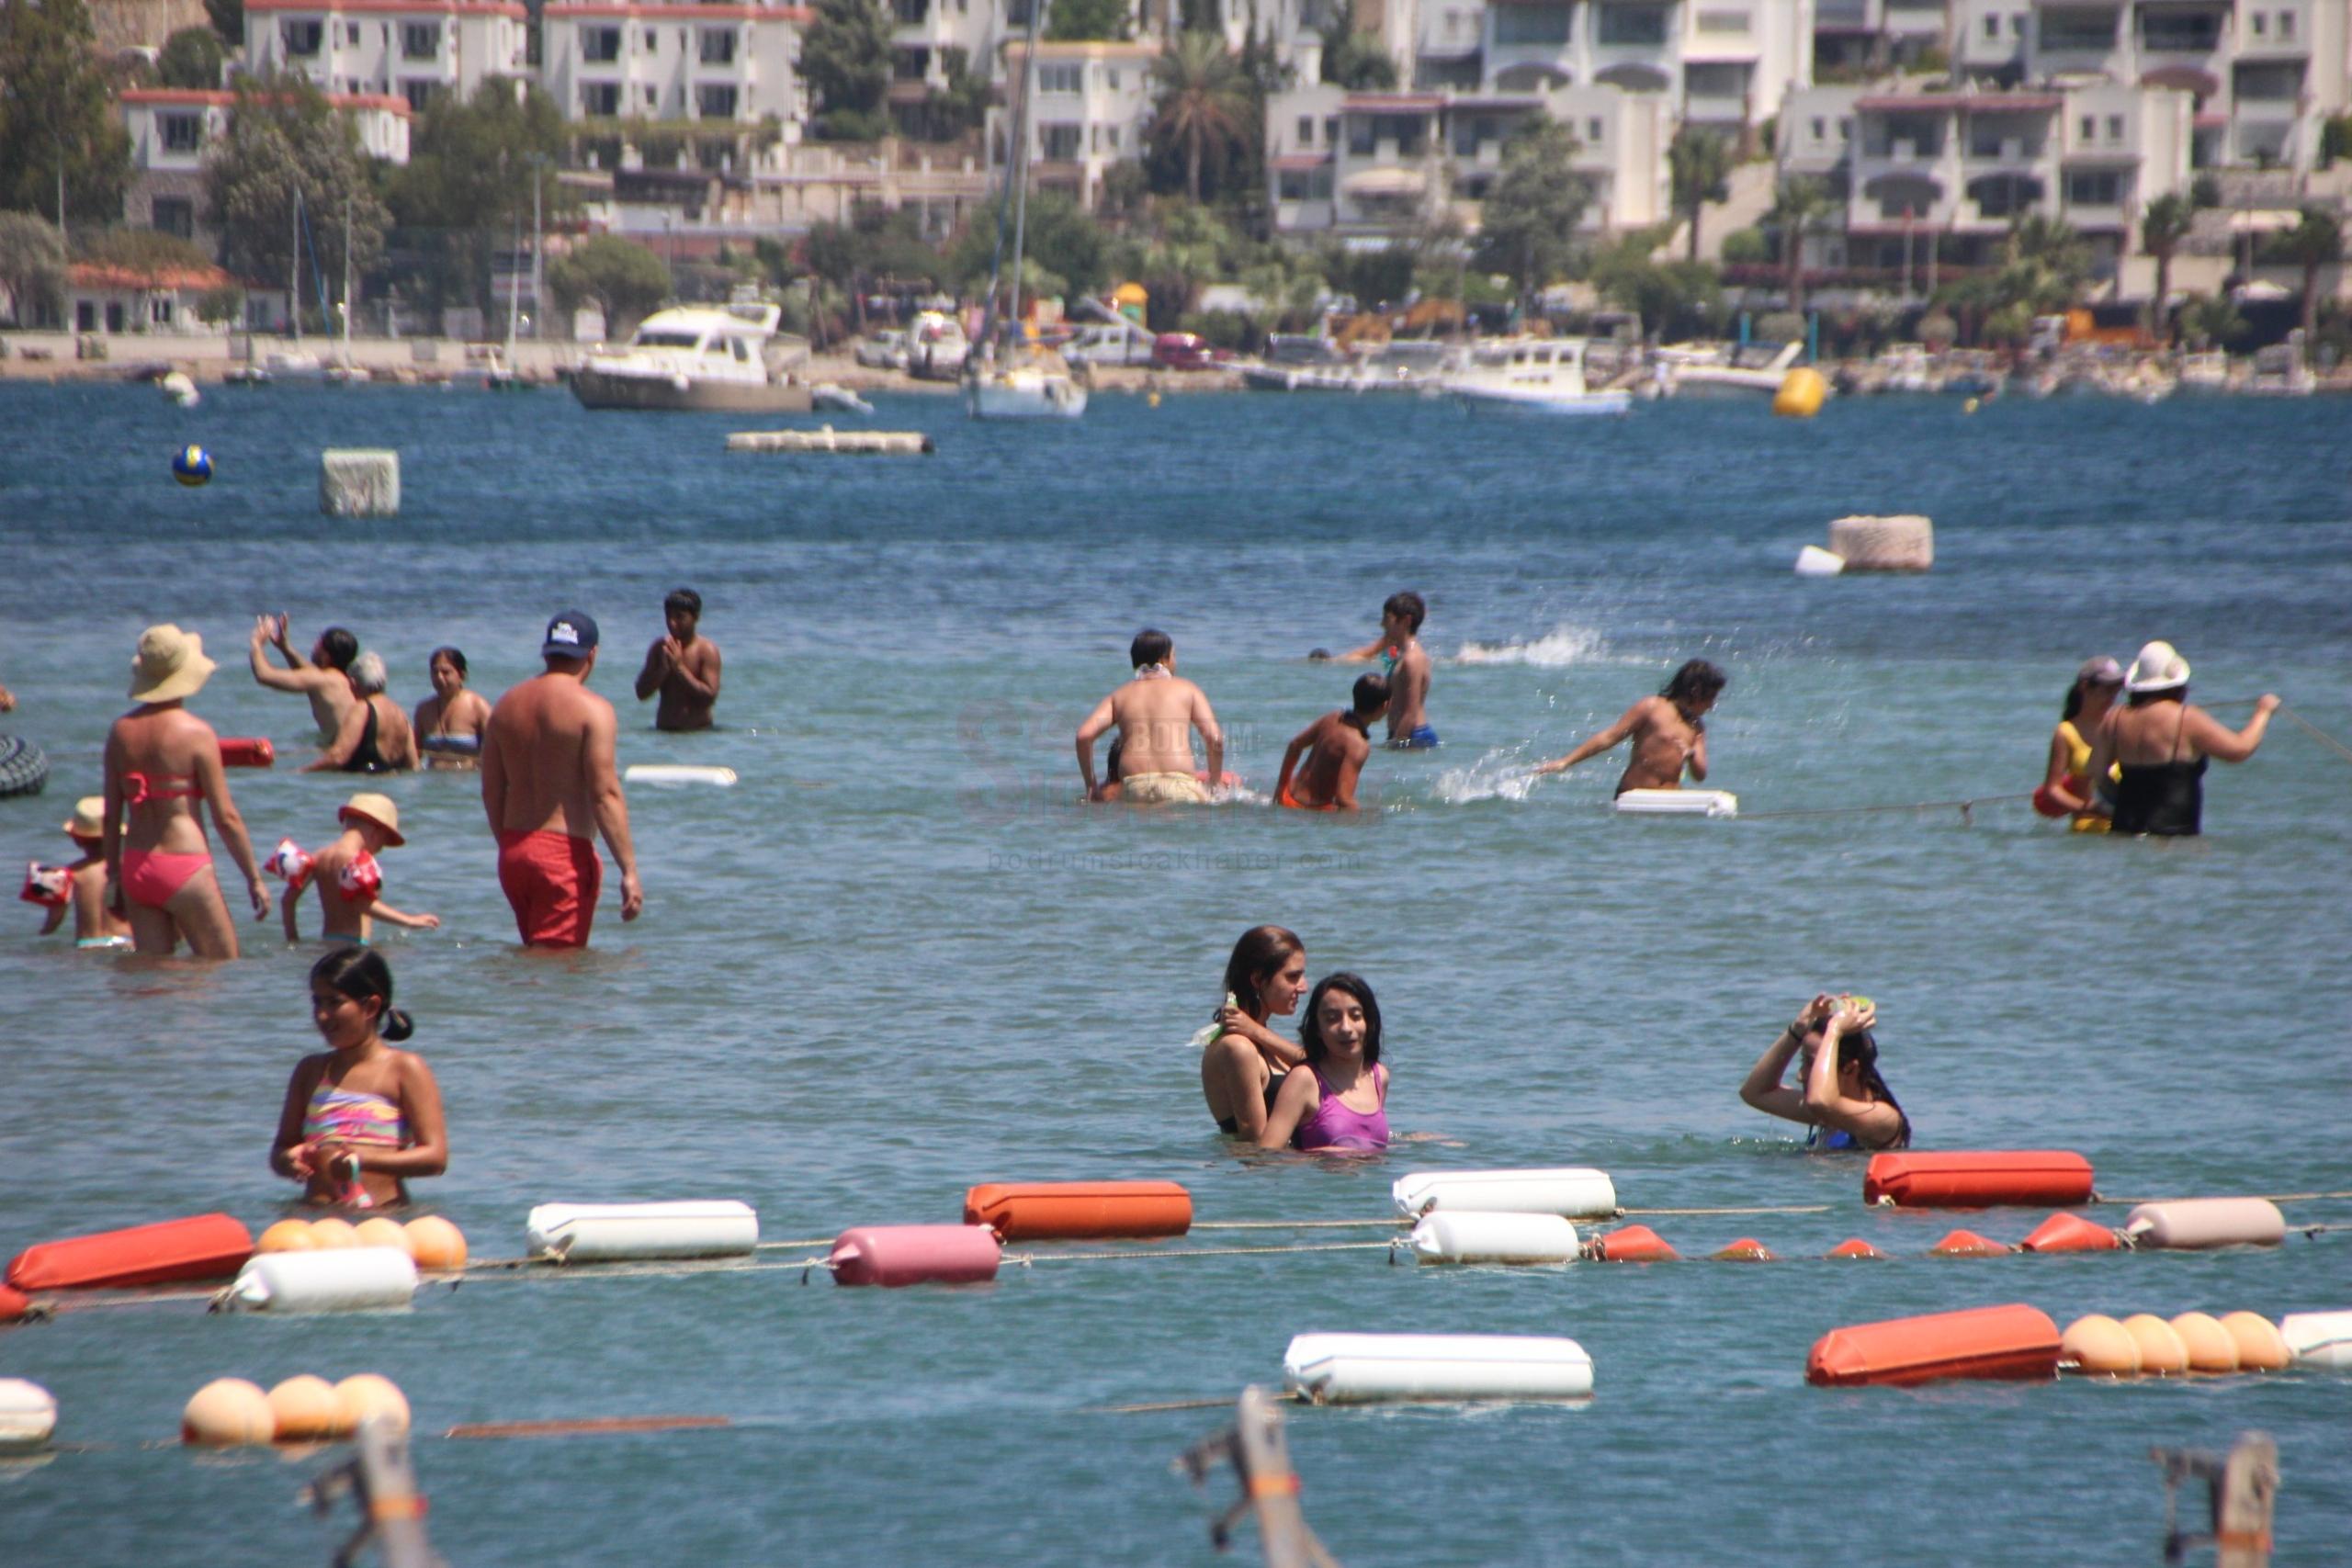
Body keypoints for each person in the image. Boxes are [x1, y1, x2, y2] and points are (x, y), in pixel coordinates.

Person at [103, 625, 270, 957]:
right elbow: (226, 817)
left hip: (136, 864)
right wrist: (254, 878)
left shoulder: (120, 733)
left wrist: (113, 877)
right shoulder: (197, 733)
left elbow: (111, 817)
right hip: (184, 865)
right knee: (223, 968)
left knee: (155, 983)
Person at [481, 610, 643, 947]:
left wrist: (510, 846)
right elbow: (605, 794)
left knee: (536, 966)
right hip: (561, 855)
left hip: (513, 852)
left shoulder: (505, 706)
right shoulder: (592, 710)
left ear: (547, 650)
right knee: (557, 974)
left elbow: (492, 789)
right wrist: (629, 870)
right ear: (592, 654)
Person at [271, 948, 447, 1208]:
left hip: (382, 1218)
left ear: (370, 1006)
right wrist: (288, 1160)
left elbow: (436, 1158)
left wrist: (364, 1160)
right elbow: (280, 1149)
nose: (321, 1015)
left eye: (334, 1002)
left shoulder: (404, 1069)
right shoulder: (310, 1071)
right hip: (316, 1217)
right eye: (317, 1002)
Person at [2085, 640, 2279, 838]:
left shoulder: (2114, 718)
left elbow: (2096, 772)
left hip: (2123, 833)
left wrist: (2122, 802)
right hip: (2174, 839)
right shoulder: (2186, 718)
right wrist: (2263, 712)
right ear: (2177, 684)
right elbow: (2240, 750)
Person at [1738, 993, 1910, 1151]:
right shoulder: (1827, 1113)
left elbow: (1820, 1102)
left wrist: (1835, 1031)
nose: (1800, 1076)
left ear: (1850, 1068)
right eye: (1802, 1062)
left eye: (1812, 1064)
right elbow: (1755, 1092)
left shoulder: (1884, 1119)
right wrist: (1797, 1029)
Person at [1075, 628, 1224, 806]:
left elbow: (1084, 736)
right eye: (1174, 655)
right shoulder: (1188, 689)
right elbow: (1215, 738)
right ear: (1164, 660)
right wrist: (1214, 784)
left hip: (1135, 787)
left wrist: (1091, 787)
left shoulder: (1120, 696)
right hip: (1180, 786)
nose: (1175, 661)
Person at [1535, 659, 1726, 794]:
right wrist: (1566, 762)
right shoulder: (1651, 707)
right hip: (1633, 798)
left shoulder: (1697, 726)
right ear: (1696, 691)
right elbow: (1609, 737)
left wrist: (1691, 756)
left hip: (1669, 802)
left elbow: (1700, 775)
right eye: (1711, 697)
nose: (1712, 705)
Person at [277, 793, 440, 945]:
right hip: (354, 945)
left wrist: (293, 941)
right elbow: (362, 905)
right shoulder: (357, 861)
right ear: (376, 832)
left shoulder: (318, 857)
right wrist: (409, 921)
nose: (381, 849)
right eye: (383, 842)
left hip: (327, 942)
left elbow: (287, 901)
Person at [1200, 926, 1309, 1139]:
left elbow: (1323, 1067)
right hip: (1274, 1170)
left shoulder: (1262, 1040)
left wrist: (1256, 1031)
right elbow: (1256, 1145)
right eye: (1293, 977)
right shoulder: (1237, 1047)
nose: (1304, 987)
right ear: (1258, 980)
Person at [1260, 973, 1389, 1153]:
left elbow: (1367, 1139)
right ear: (1318, 1029)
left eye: (1356, 1016)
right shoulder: (1304, 1079)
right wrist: (1319, 1156)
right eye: (1332, 1019)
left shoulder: (1379, 1076)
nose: (1346, 1028)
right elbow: (1265, 1156)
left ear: (1369, 1022)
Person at [1322, 592, 1434, 748]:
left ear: (1406, 621)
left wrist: (1395, 744)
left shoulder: (1412, 659)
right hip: (1405, 734)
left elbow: (1411, 712)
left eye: (1387, 619)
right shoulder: (1402, 654)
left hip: (1414, 735)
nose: (1382, 624)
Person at [27, 796, 132, 948]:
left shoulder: (68, 873)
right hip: (125, 941)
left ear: (76, 839)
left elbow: (55, 919)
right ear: (119, 836)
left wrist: (45, 931)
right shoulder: (127, 868)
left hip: (87, 944)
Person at [2034, 657, 2124, 831]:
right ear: (2084, 686)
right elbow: (2052, 790)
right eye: (2107, 689)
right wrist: (2088, 807)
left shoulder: (2121, 725)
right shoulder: (2066, 732)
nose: (2113, 696)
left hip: (2125, 827)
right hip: (2088, 829)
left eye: (2117, 689)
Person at [1274, 674, 1388, 811]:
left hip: (1287, 796)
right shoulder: (1358, 746)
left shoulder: (1333, 717)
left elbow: (1295, 744)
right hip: (1308, 810)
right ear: (1385, 705)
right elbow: (1343, 799)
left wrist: (1281, 789)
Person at [302, 652, 417, 774]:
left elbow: (338, 757)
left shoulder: (362, 708)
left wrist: (304, 771)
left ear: (353, 684)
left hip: (364, 782)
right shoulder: (401, 714)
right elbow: (413, 765)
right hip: (389, 788)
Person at [249, 616, 360, 742]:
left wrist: (256, 643)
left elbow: (263, 675)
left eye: (318, 643)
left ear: (326, 656)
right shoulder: (344, 679)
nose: (314, 646)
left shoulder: (322, 680)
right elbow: (308, 671)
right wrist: (284, 647)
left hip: (343, 751)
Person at [634, 588, 722, 732]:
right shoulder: (659, 648)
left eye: (679, 617)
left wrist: (679, 668)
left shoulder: (706, 650)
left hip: (699, 733)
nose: (672, 623)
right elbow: (641, 693)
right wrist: (662, 671)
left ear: (696, 617)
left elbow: (709, 698)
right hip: (663, 733)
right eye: (668, 616)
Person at [413, 647, 492, 769]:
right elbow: (414, 755)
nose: (439, 677)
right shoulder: (423, 710)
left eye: (446, 672)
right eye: (435, 672)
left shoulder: (477, 706)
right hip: (432, 782)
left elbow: (495, 751)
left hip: (466, 783)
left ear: (462, 675)